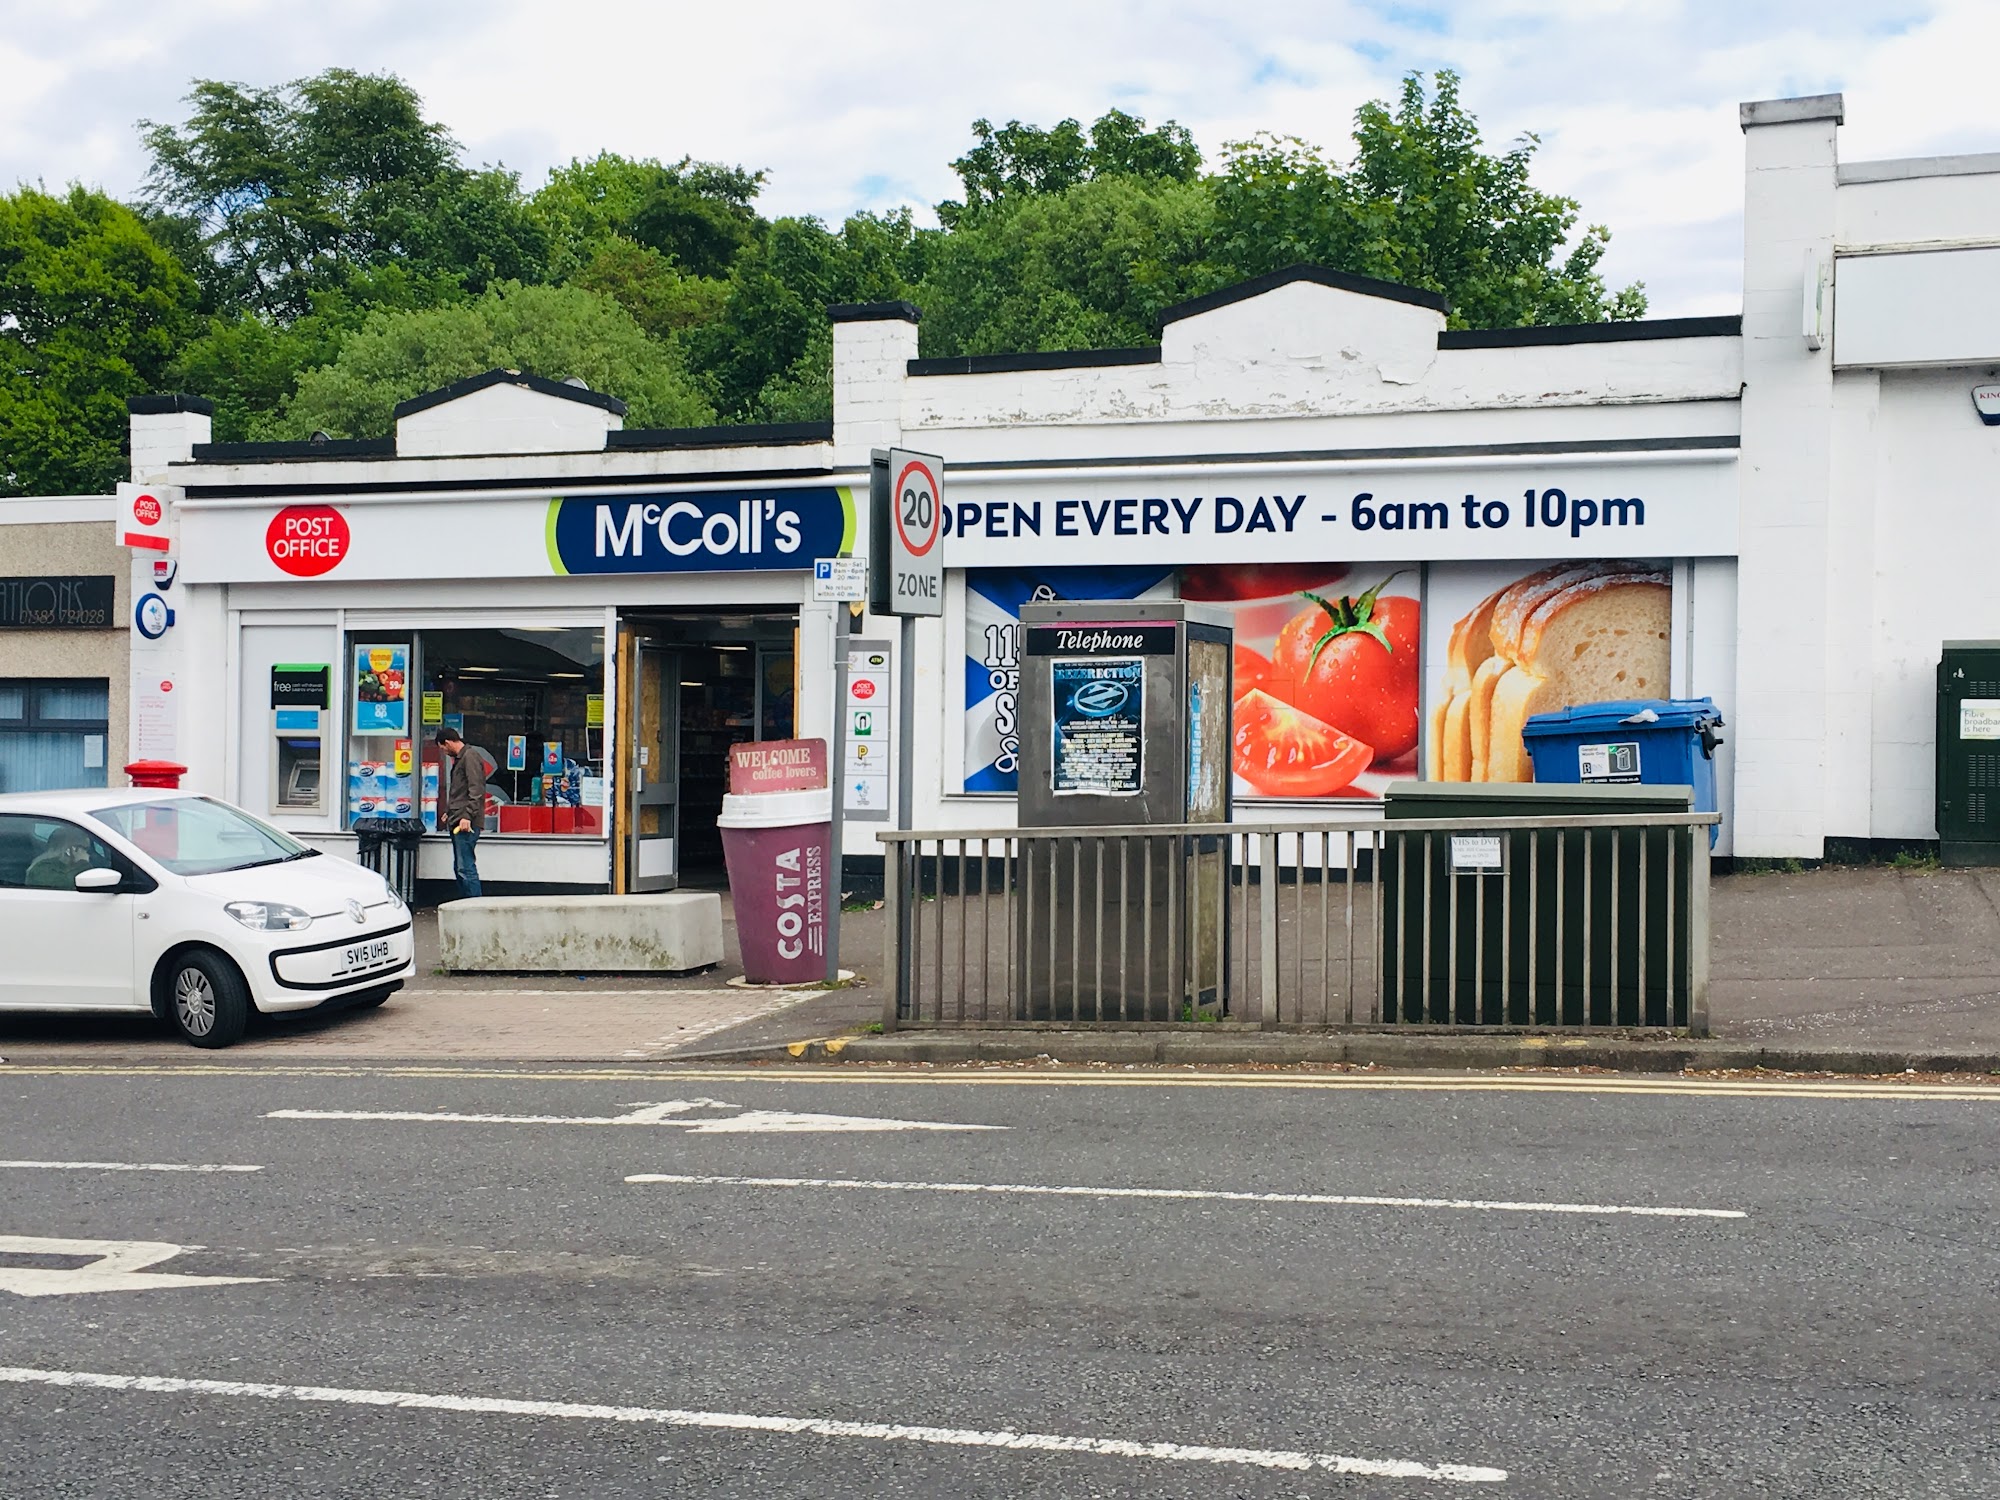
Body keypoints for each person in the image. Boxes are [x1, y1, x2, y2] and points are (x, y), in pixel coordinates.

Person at [436, 727, 496, 899]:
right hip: (459, 818)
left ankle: (473, 906)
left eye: (443, 748)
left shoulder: (469, 757)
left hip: (465, 822)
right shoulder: (463, 757)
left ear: (447, 743)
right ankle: (466, 904)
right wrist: (450, 811)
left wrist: (466, 816)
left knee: (466, 867)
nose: (445, 752)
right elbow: (462, 791)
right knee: (461, 866)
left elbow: (476, 790)